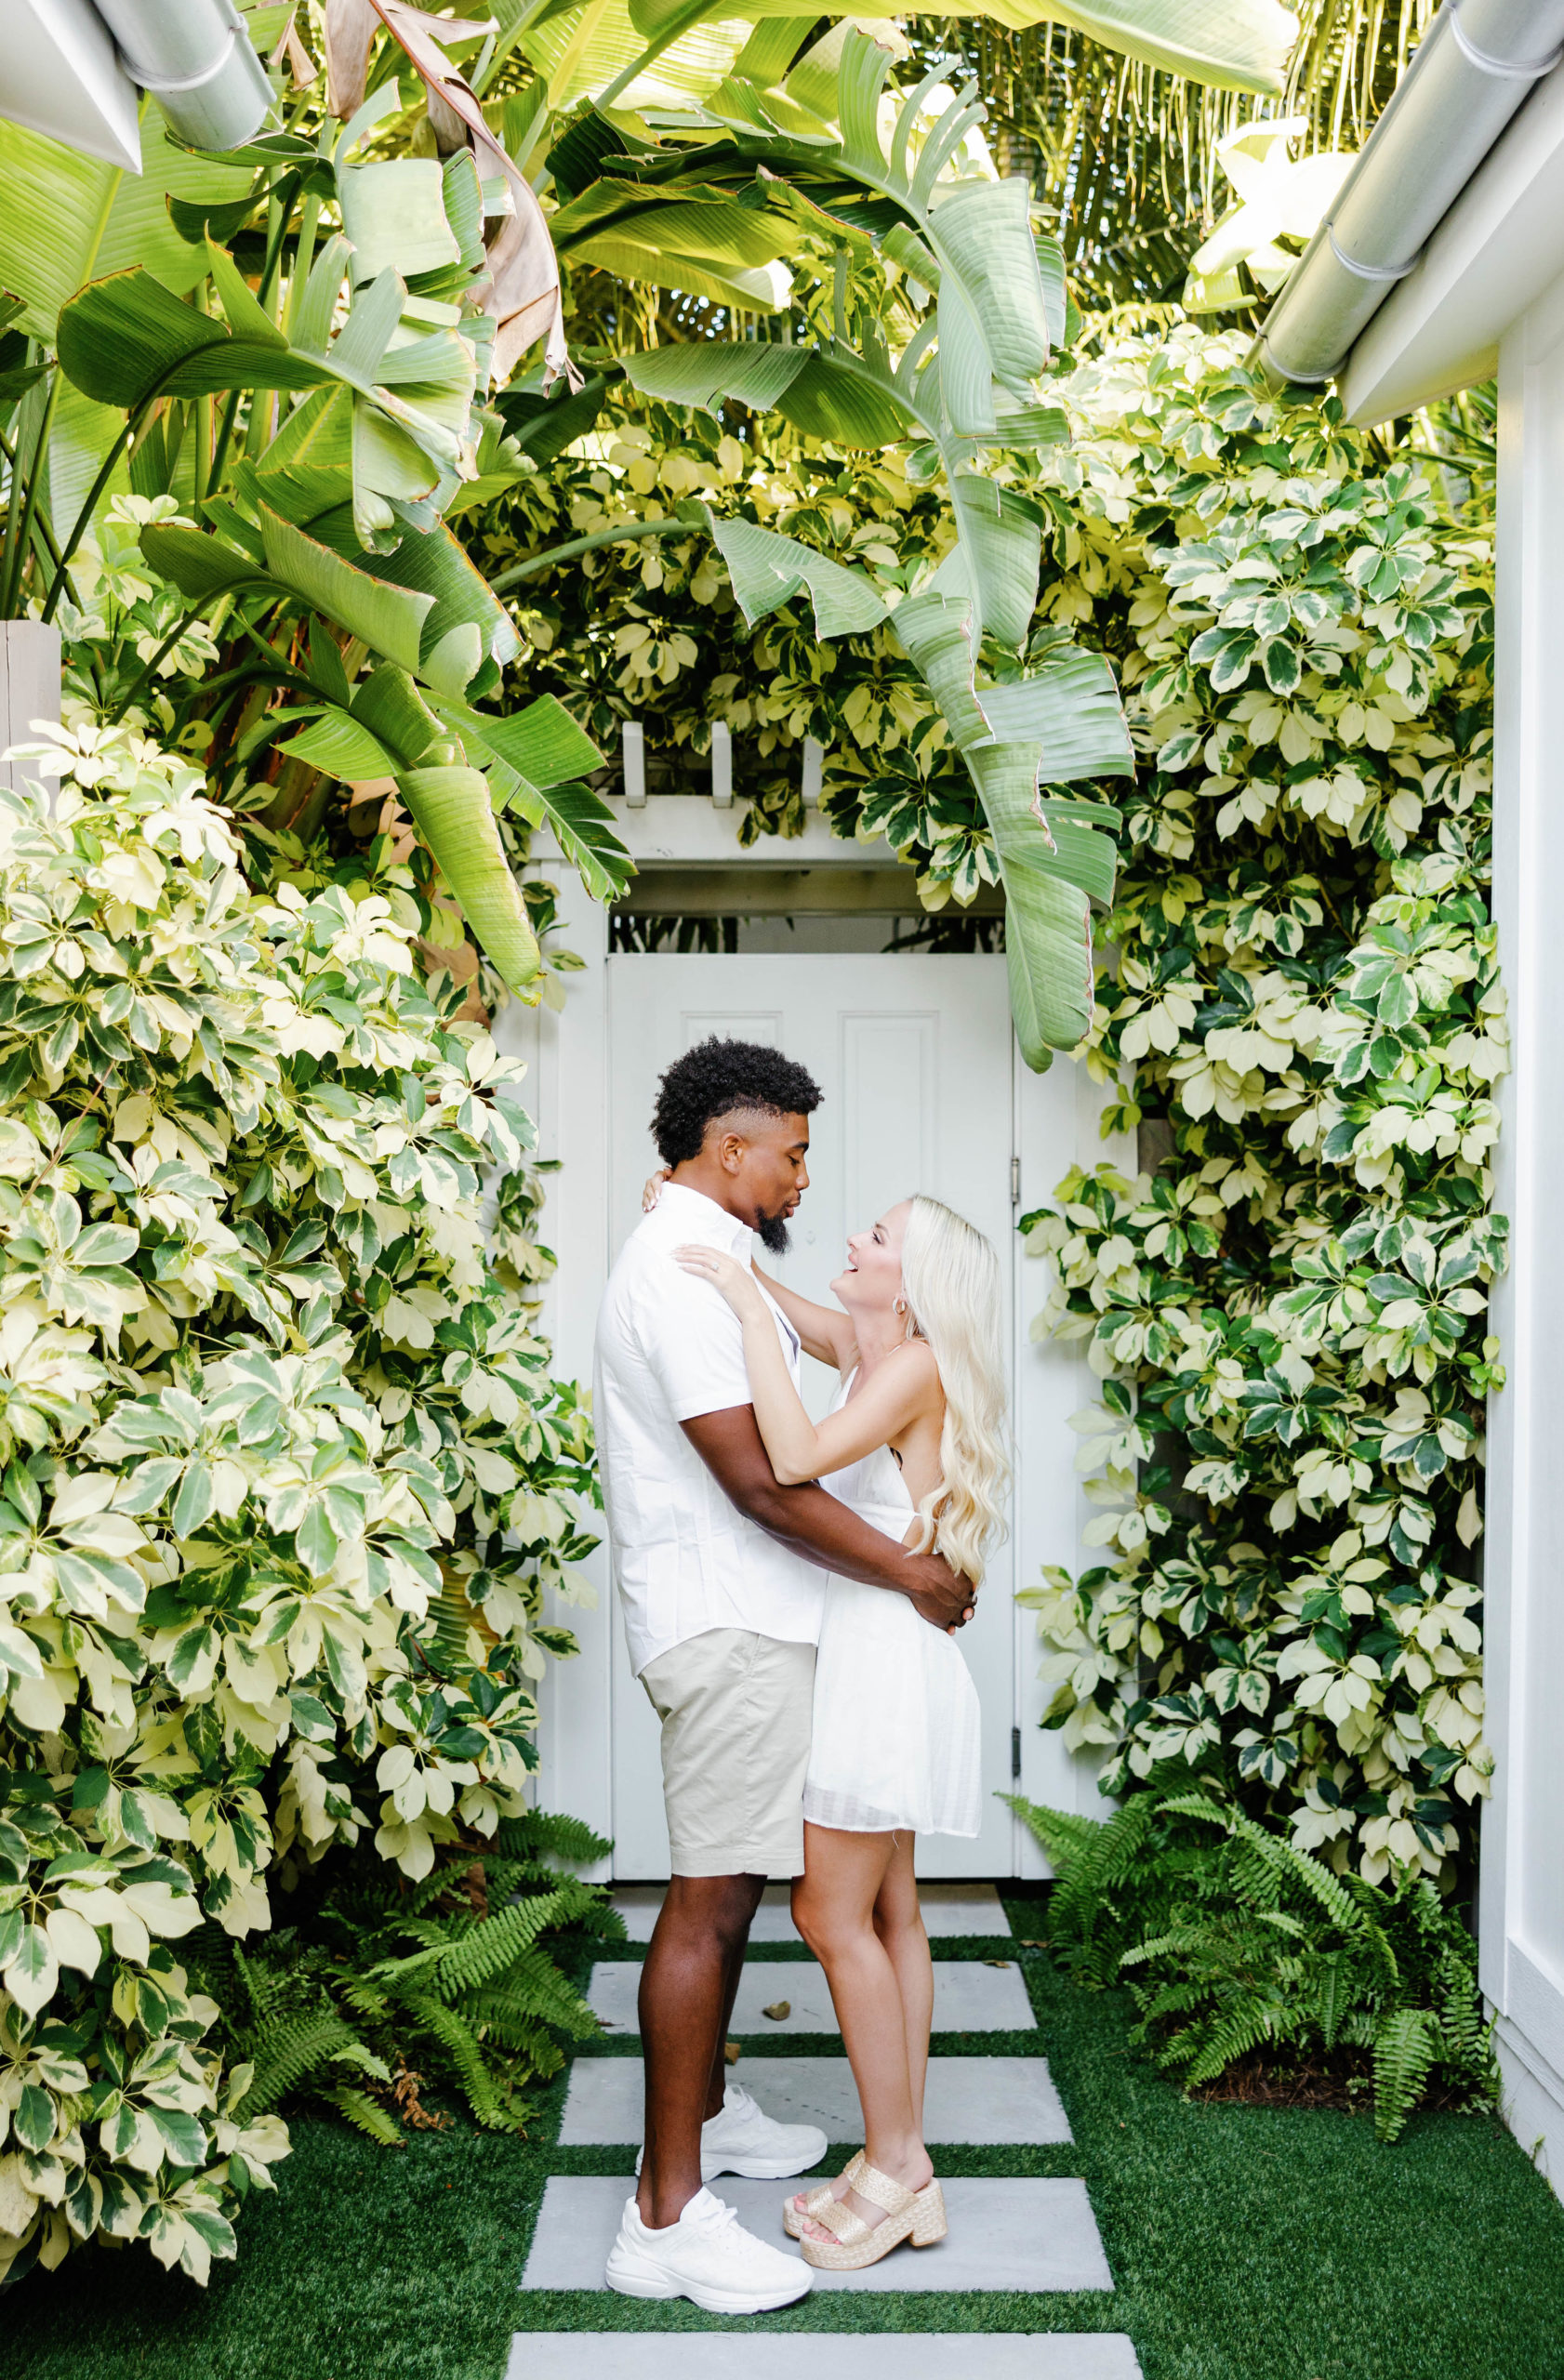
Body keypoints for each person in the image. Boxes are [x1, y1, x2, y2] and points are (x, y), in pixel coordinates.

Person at [593, 1038, 975, 2315]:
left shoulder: (710, 1255)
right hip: (730, 1621)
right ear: (732, 1149)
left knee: (761, 1887)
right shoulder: (680, 1273)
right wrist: (916, 1576)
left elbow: (800, 1330)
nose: (809, 1182)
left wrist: (720, 1247)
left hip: (775, 1628)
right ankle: (667, 2218)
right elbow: (764, 1482)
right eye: (795, 1155)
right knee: (710, 1900)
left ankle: (711, 2121)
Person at [674, 1192, 1007, 2273]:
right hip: (885, 1665)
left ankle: (899, 2168)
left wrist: (730, 1290)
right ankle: (895, 2162)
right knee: (891, 1912)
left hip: (879, 1673)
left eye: (877, 1234)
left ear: (906, 1285)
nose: (855, 1236)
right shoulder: (875, 1350)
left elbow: (797, 1452)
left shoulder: (906, 1367)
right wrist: (726, 1248)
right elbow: (804, 1318)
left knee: (828, 1913)